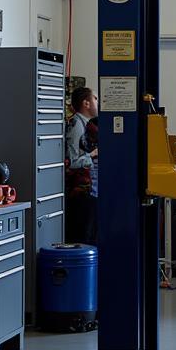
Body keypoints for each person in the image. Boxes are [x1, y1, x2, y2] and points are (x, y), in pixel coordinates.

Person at [65, 87, 99, 245]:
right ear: (86, 103)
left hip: (90, 189)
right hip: (81, 192)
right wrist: (92, 155)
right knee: (83, 235)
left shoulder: (87, 125)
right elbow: (72, 161)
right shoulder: (77, 125)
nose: (97, 102)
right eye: (95, 99)